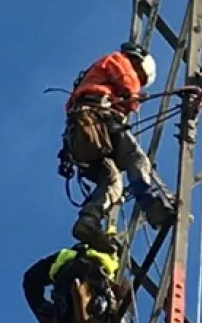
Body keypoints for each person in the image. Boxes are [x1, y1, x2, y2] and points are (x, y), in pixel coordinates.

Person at [63, 43, 177, 250]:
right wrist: (133, 99)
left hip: (83, 134)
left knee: (112, 182)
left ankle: (88, 221)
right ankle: (152, 204)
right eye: (140, 77)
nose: (139, 82)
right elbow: (128, 81)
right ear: (137, 61)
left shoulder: (93, 76)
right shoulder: (118, 60)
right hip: (99, 119)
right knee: (136, 159)